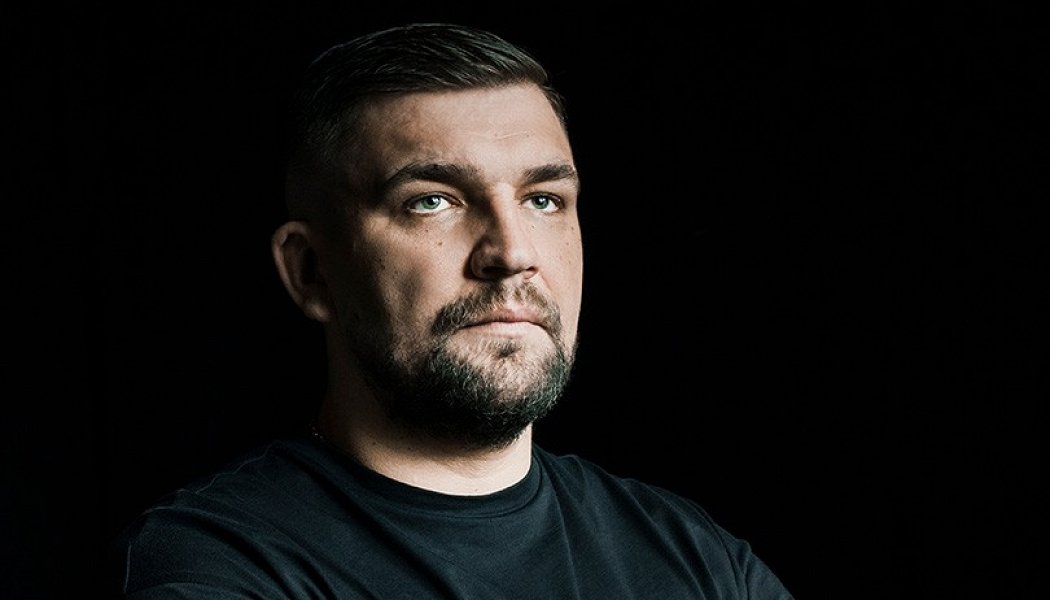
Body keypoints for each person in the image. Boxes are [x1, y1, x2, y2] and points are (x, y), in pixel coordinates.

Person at [110, 22, 795, 599]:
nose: (512, 253)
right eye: (432, 200)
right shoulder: (222, 565)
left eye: (543, 200)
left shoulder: (697, 558)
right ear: (310, 271)